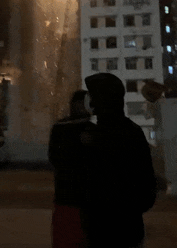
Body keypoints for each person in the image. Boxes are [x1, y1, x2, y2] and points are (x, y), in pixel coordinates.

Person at [79, 73, 157, 248]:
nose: (91, 103)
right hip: (128, 229)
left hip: (100, 230)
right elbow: (147, 188)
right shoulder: (133, 133)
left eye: (94, 97)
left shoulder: (94, 137)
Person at [48, 90, 91, 248]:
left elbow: (54, 158)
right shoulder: (89, 128)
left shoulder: (61, 127)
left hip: (71, 197)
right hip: (75, 198)